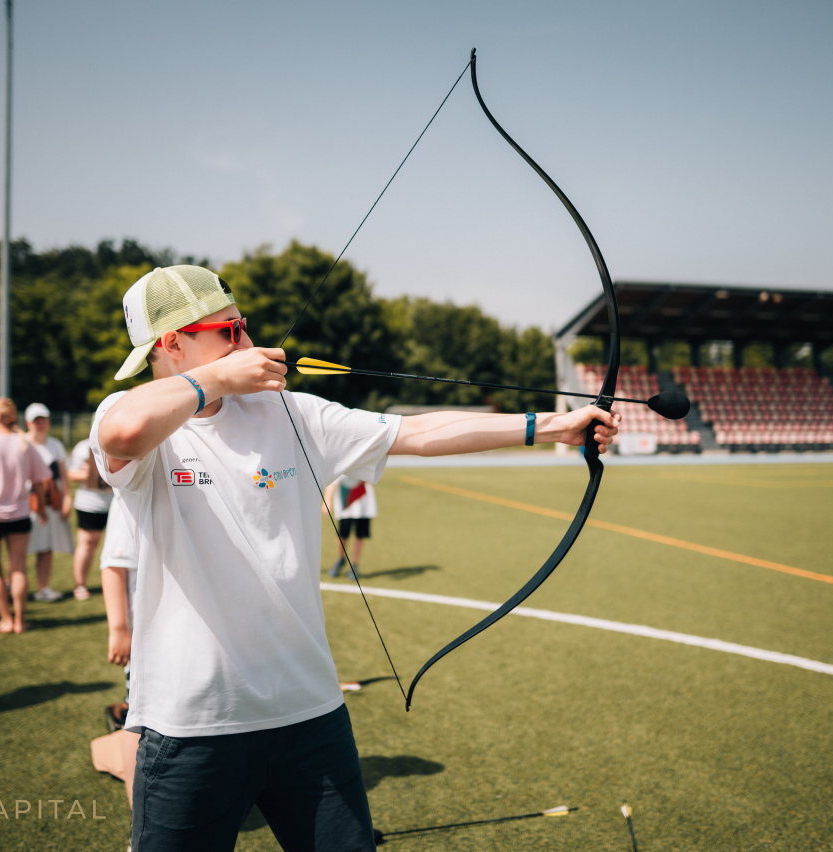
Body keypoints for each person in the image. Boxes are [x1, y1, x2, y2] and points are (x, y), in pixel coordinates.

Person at [92, 265, 619, 851]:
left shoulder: (288, 412)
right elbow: (123, 432)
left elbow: (416, 433)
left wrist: (553, 426)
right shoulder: (128, 415)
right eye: (229, 330)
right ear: (172, 343)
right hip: (191, 723)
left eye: (244, 325)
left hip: (309, 714)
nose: (247, 340)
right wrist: (218, 376)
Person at [0, 398, 50, 634]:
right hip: (19, 515)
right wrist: (42, 509)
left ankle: (6, 620)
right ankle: (20, 621)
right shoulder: (24, 444)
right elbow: (40, 481)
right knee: (18, 569)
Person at [93, 496, 140, 807]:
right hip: (150, 644)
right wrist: (120, 629)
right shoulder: (132, 491)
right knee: (142, 728)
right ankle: (142, 817)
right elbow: (114, 563)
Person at [23, 403, 74, 602]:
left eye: (44, 420)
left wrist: (67, 497)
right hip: (26, 502)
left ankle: (42, 588)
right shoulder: (22, 443)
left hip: (50, 502)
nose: (41, 424)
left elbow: (62, 475)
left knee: (46, 546)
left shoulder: (55, 445)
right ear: (28, 423)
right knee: (20, 547)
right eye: (37, 421)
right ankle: (13, 585)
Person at [67, 434, 113, 600]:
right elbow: (72, 474)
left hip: (118, 504)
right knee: (87, 544)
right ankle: (80, 585)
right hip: (90, 504)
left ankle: (124, 584)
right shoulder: (83, 446)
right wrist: (93, 473)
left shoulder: (119, 442)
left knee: (120, 546)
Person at [323, 475, 376, 579]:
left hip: (363, 503)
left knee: (359, 535)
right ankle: (341, 558)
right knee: (342, 535)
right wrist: (327, 500)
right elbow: (333, 480)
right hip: (345, 503)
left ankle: (354, 564)